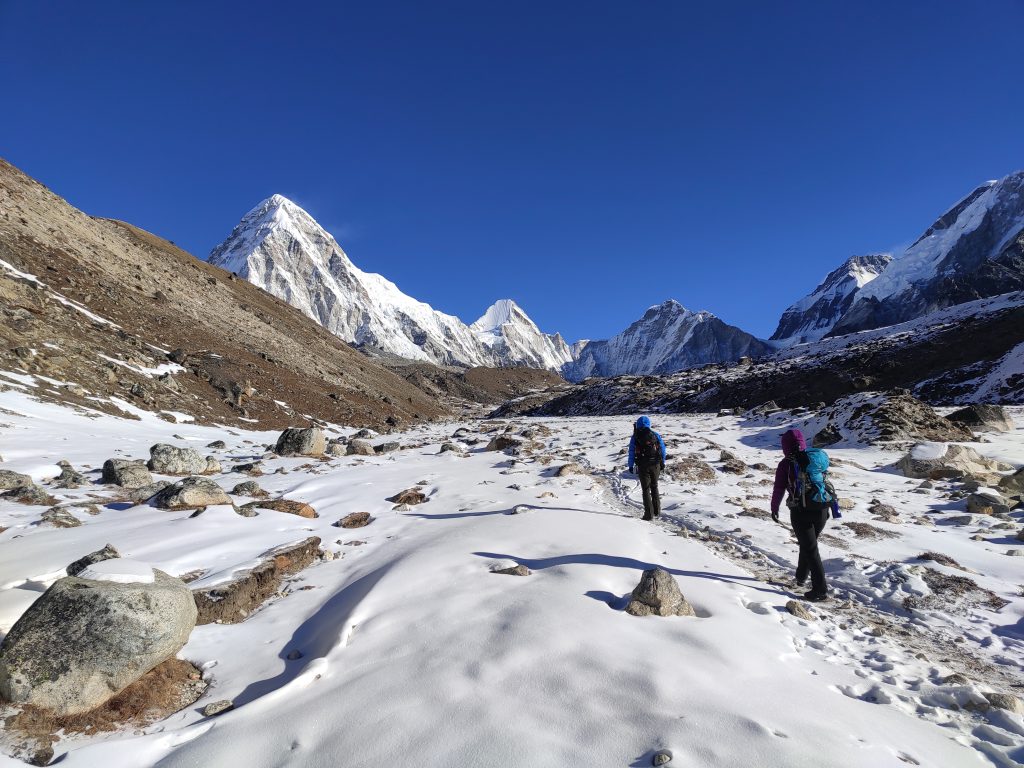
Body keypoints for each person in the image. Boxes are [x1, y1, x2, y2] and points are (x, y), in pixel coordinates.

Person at [770, 428, 830, 601]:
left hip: (800, 510)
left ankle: (820, 590)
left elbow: (779, 488)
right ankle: (801, 577)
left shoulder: (785, 464)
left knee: (810, 549)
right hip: (822, 508)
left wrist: (775, 508)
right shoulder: (816, 457)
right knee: (808, 544)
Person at [628, 416, 666, 521]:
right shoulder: (655, 434)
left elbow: (631, 452)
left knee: (645, 490)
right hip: (656, 464)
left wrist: (630, 465)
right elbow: (662, 448)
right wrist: (663, 462)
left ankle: (648, 515)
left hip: (643, 465)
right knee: (654, 486)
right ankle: (657, 511)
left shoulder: (635, 437)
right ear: (649, 424)